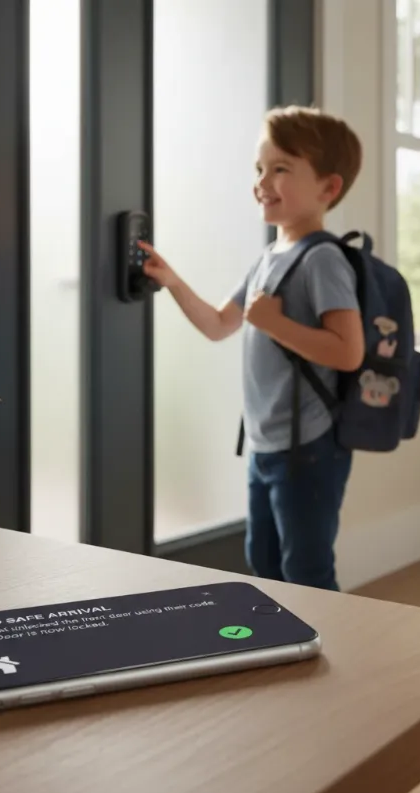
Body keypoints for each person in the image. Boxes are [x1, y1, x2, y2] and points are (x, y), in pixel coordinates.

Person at [139, 106, 364, 591]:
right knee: (262, 559)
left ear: (329, 188)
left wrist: (276, 323)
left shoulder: (323, 259)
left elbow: (348, 352)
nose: (263, 181)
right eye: (259, 169)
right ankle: (287, 651)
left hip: (308, 449)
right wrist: (172, 280)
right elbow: (220, 324)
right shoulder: (268, 257)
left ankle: (333, 658)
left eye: (281, 169)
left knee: (306, 569)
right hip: (266, 443)